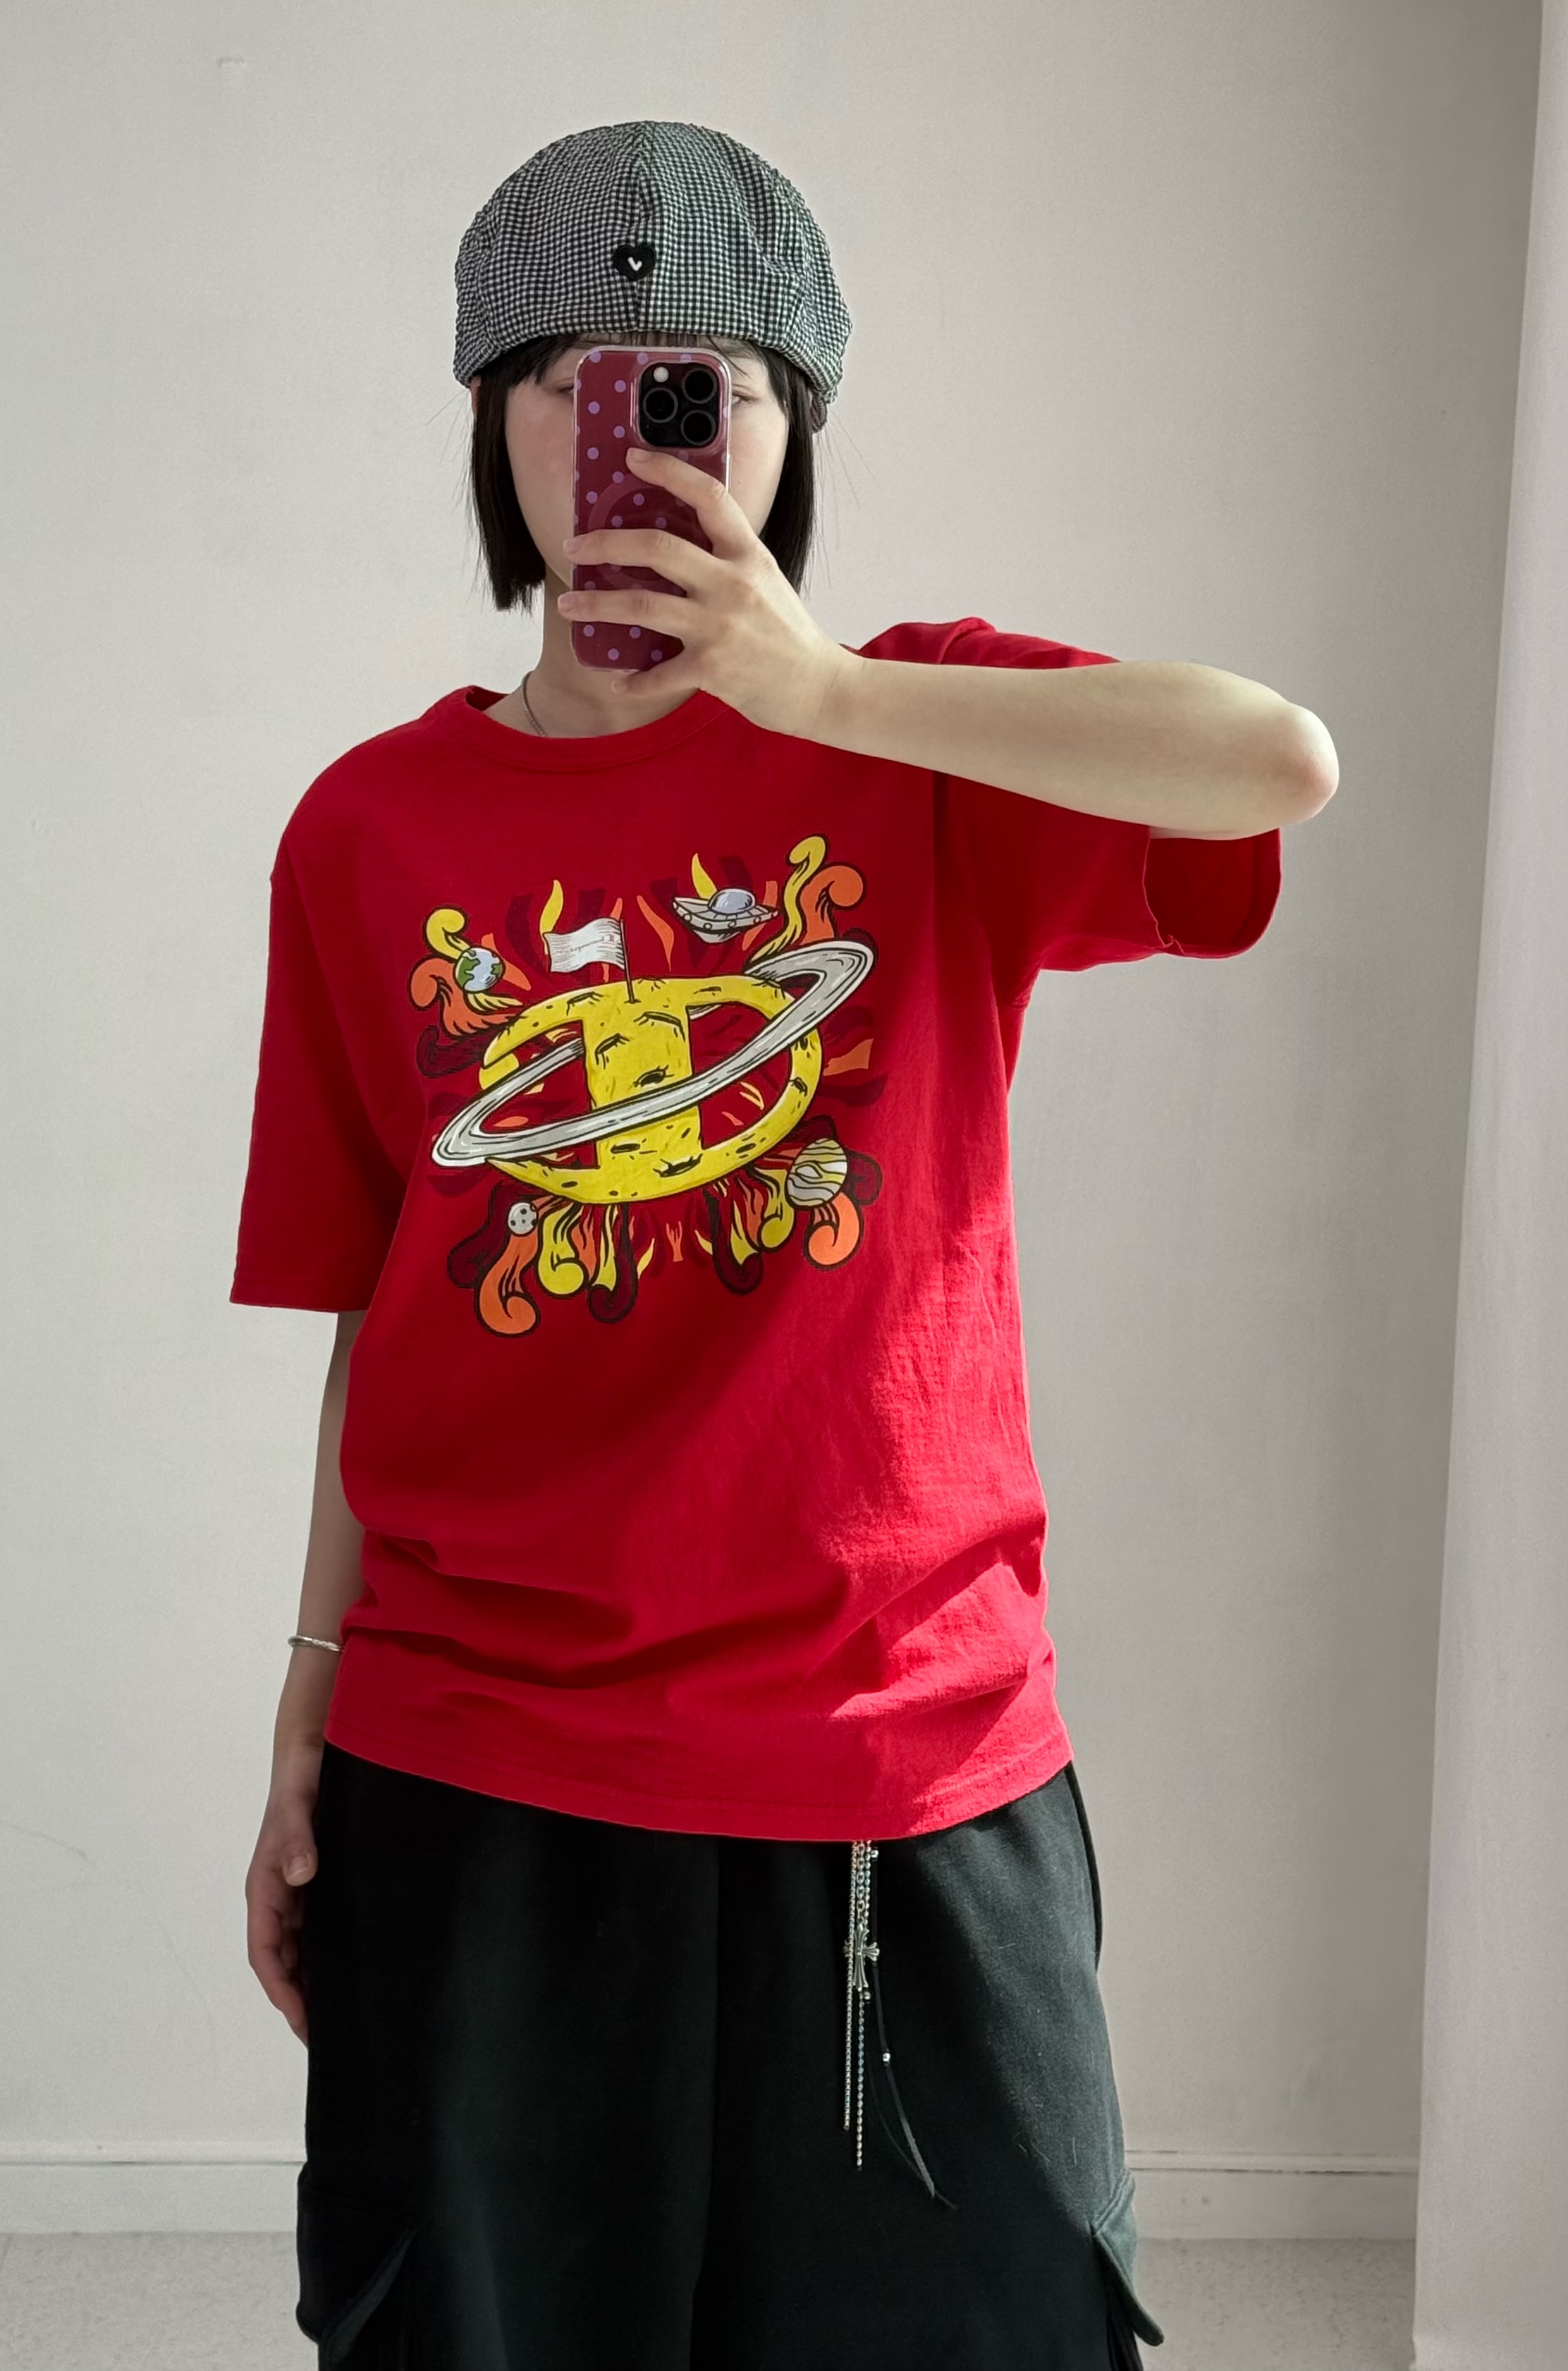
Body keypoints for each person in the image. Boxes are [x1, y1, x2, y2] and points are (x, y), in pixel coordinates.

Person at [231, 120, 1337, 2371]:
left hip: (901, 1759)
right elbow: (377, 1307)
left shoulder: (926, 739)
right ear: (492, 429)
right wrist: (304, 1707)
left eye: (698, 390)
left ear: (790, 425)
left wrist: (826, 696)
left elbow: (1273, 763)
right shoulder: (366, 827)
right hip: (480, 1758)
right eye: (570, 386)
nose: (630, 442)